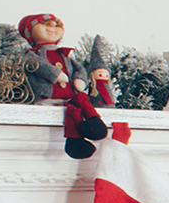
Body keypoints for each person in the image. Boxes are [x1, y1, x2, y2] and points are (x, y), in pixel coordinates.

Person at [18, 13, 111, 158]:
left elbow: (79, 68)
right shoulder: (33, 54)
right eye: (45, 24)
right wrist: (54, 73)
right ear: (30, 32)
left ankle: (95, 122)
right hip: (47, 96)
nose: (52, 28)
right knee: (72, 110)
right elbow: (36, 65)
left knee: (80, 99)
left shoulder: (64, 54)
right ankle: (75, 140)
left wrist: (79, 79)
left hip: (69, 95)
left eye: (56, 25)